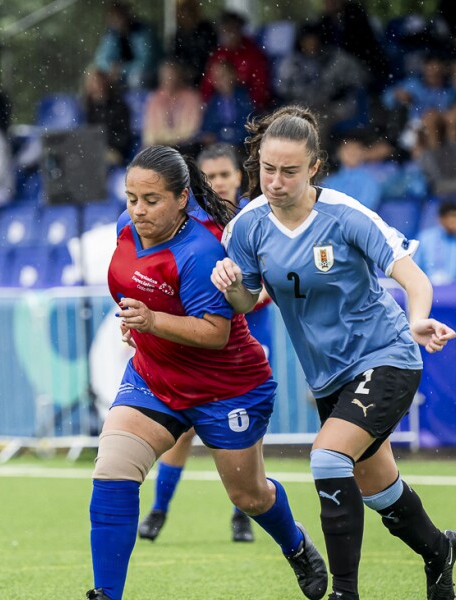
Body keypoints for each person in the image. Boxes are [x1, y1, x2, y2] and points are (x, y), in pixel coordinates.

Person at [212, 106, 456, 600]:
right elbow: (246, 299)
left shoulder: (346, 216)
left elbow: (414, 279)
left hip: (387, 355)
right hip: (328, 377)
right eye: (267, 169)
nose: (275, 181)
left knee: (327, 458)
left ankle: (344, 593)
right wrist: (231, 285)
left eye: (289, 171)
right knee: (379, 490)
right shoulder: (246, 227)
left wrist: (417, 319)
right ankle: (439, 551)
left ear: (314, 167)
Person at [87, 145, 327, 600]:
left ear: (182, 198)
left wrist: (152, 321)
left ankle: (295, 544)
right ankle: (106, 594)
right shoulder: (126, 228)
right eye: (131, 198)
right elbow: (141, 286)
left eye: (151, 200)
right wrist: (138, 323)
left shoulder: (200, 251)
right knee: (113, 472)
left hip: (227, 388)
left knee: (249, 496)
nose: (138, 210)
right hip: (154, 378)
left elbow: (216, 333)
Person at [136, 143, 273, 545]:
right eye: (209, 177)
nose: (218, 183)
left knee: (246, 441)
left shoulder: (250, 222)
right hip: (195, 346)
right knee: (182, 433)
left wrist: (237, 297)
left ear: (239, 177)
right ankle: (159, 510)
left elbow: (267, 282)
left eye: (224, 175)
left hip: (246, 346)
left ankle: (242, 517)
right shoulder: (191, 225)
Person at [201, 11, 272, 111]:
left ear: (240, 30)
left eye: (232, 30)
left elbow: (260, 90)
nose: (228, 35)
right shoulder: (218, 55)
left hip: (248, 106)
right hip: (222, 106)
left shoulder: (254, 54)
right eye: (224, 31)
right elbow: (207, 88)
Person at [93, 1, 161, 90]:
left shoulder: (143, 32)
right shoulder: (112, 35)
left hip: (148, 73)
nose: (116, 22)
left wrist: (122, 69)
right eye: (112, 19)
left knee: (136, 78)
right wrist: (112, 68)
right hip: (120, 74)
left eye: (118, 17)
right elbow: (101, 59)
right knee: (96, 77)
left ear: (126, 16)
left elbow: (146, 62)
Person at [142, 60, 203, 150]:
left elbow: (190, 132)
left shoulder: (191, 97)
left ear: (179, 76)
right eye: (165, 76)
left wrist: (166, 139)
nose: (169, 80)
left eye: (172, 76)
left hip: (184, 147)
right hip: (159, 148)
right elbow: (150, 134)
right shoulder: (155, 98)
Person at [82, 68, 134, 164]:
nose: (95, 86)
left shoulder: (119, 106)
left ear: (105, 83)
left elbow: (124, 137)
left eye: (97, 82)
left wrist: (104, 143)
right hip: (92, 149)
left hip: (113, 150)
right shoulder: (86, 108)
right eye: (91, 83)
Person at [321, 132, 383, 212]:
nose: (351, 153)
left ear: (363, 152)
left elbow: (365, 209)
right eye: (347, 149)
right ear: (339, 152)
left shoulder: (369, 180)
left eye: (356, 149)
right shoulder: (330, 180)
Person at [199, 60, 255, 147]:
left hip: (240, 146)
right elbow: (207, 128)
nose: (219, 81)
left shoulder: (244, 97)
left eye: (222, 76)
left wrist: (226, 137)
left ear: (232, 75)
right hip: (218, 147)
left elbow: (247, 126)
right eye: (215, 78)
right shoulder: (213, 101)